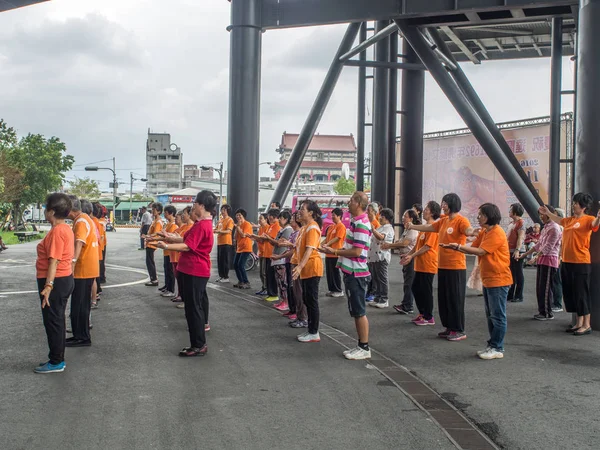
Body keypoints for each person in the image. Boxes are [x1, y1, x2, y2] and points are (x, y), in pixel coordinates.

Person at [443, 203, 512, 360]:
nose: (478, 217)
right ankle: (492, 345)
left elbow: (481, 251)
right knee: (491, 315)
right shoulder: (485, 232)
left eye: (480, 214)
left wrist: (457, 247)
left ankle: (497, 347)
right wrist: (455, 246)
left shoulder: (496, 232)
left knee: (498, 315)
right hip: (489, 279)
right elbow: (472, 245)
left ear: (488, 216)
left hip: (499, 279)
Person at [408, 193, 474, 342]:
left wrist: (473, 232)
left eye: (444, 203)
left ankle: (458, 329)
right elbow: (429, 227)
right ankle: (449, 327)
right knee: (444, 298)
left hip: (456, 266)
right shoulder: (443, 221)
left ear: (451, 204)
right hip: (442, 265)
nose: (442, 206)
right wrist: (413, 226)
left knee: (455, 298)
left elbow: (468, 230)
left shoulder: (461, 220)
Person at [157, 191, 216, 356]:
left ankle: (198, 345)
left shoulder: (203, 225)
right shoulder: (200, 223)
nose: (194, 205)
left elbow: (188, 247)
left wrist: (166, 246)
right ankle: (197, 343)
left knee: (193, 309)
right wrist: (170, 238)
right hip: (191, 270)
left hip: (195, 270)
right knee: (192, 307)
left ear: (202, 206)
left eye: (196, 203)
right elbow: (186, 241)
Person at [539, 193, 600, 335]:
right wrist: (548, 213)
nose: (573, 205)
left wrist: (599, 217)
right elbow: (558, 219)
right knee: (571, 293)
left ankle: (587, 324)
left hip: (581, 262)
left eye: (576, 203)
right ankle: (578, 323)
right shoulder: (569, 220)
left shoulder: (588, 219)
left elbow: (595, 224)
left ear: (583, 206)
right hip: (567, 261)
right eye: (573, 202)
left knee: (582, 293)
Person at [322, 191, 372, 360]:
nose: (348, 203)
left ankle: (364, 347)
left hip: (357, 273)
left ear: (358, 203)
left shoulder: (362, 224)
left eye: (351, 200)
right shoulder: (356, 221)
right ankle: (361, 345)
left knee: (359, 311)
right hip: (352, 272)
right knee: (356, 311)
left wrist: (335, 251)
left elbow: (357, 251)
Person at [34, 193, 75, 373]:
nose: (44, 210)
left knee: (53, 321)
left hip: (56, 280)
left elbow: (54, 261)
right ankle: (56, 358)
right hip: (62, 279)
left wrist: (48, 286)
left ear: (51, 211)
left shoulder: (58, 231)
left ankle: (56, 361)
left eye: (45, 208)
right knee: (56, 319)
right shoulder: (64, 228)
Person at [518, 205, 562, 320]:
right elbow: (539, 245)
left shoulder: (555, 228)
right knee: (540, 288)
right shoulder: (546, 227)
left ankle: (547, 313)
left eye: (543, 214)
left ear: (549, 213)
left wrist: (536, 257)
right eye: (540, 214)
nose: (541, 216)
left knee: (546, 288)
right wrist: (525, 255)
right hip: (543, 260)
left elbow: (548, 246)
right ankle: (542, 311)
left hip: (550, 261)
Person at [400, 200, 441, 326]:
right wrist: (409, 255)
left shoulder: (433, 228)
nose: (424, 211)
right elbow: (418, 246)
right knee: (416, 288)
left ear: (433, 212)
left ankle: (428, 316)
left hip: (428, 264)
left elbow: (427, 247)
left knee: (425, 291)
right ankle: (422, 313)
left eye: (427, 209)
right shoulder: (424, 228)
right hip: (420, 264)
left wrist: (411, 255)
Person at [66, 195, 99, 348]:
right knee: (81, 304)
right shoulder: (85, 218)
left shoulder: (80, 221)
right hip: (88, 268)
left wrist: (72, 262)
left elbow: (79, 242)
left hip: (83, 268)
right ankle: (80, 334)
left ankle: (82, 336)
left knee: (79, 305)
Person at [292, 200, 323, 343]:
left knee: (311, 300)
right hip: (306, 269)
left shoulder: (312, 227)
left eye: (302, 208)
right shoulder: (305, 228)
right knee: (307, 299)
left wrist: (299, 266)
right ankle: (310, 330)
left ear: (311, 213)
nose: (299, 210)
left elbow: (310, 249)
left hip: (312, 268)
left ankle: (314, 332)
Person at [383, 209, 421, 314]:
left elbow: (404, 243)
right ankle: (406, 304)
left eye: (405, 216)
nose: (403, 218)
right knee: (407, 283)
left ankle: (407, 306)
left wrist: (390, 245)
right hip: (405, 258)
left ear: (411, 219)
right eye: (403, 216)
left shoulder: (413, 230)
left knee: (409, 283)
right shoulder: (407, 230)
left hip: (410, 258)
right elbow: (401, 242)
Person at [278, 212, 308, 327]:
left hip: (298, 264)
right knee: (294, 290)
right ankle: (299, 316)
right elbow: (296, 247)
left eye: (294, 218)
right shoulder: (300, 232)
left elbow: (307, 249)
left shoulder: (307, 230)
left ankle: (302, 318)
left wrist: (299, 266)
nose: (292, 220)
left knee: (300, 292)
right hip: (293, 262)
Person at [264, 210, 293, 311]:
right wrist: (271, 240)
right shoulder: (282, 230)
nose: (279, 220)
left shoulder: (288, 230)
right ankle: (282, 300)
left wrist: (269, 238)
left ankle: (286, 302)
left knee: (283, 282)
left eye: (280, 218)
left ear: (286, 219)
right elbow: (276, 242)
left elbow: (280, 243)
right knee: (280, 282)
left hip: (281, 258)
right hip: (277, 257)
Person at [367, 208, 394, 308]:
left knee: (382, 278)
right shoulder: (382, 227)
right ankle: (377, 297)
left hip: (381, 256)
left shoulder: (387, 228)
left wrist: (373, 230)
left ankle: (384, 299)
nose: (379, 218)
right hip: (375, 256)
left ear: (386, 218)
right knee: (376, 278)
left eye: (381, 216)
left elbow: (381, 237)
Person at [323, 208, 346, 298]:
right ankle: (332, 289)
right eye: (332, 215)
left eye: (334, 215)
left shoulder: (341, 226)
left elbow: (338, 238)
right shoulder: (331, 227)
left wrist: (327, 244)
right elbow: (327, 238)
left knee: (335, 273)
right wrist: (320, 244)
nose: (332, 217)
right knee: (330, 273)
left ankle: (338, 290)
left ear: (339, 216)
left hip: (335, 253)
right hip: (328, 253)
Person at [507, 203, 526, 302]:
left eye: (510, 210)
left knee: (518, 273)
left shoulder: (521, 223)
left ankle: (519, 295)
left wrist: (517, 250)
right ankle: (510, 294)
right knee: (511, 273)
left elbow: (521, 237)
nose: (509, 211)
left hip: (518, 251)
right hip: (510, 250)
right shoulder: (512, 223)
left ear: (515, 212)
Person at [262, 209, 281, 301]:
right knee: (268, 274)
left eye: (269, 216)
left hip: (272, 254)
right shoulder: (271, 226)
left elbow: (272, 239)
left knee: (272, 275)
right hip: (267, 253)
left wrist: (266, 237)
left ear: (273, 217)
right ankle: (270, 293)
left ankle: (274, 294)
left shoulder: (276, 226)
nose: (268, 218)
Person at [143, 202, 163, 287]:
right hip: (150, 243)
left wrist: (147, 236)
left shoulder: (158, 222)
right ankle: (153, 278)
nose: (153, 211)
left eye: (154, 209)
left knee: (150, 262)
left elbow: (156, 234)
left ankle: (154, 279)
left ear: (159, 211)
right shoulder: (155, 221)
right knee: (149, 261)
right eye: (152, 209)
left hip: (152, 243)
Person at [160, 205, 178, 297]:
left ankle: (171, 289)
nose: (165, 214)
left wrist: (164, 234)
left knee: (170, 271)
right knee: (166, 269)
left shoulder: (174, 225)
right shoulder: (167, 224)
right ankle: (167, 286)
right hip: (166, 249)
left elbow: (171, 237)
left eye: (166, 213)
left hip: (170, 249)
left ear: (171, 214)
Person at [233, 208, 253, 289]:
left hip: (246, 247)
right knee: (235, 264)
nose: (238, 217)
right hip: (239, 248)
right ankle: (240, 281)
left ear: (243, 216)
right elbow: (235, 237)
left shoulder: (247, 224)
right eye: (237, 215)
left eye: (239, 215)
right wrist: (237, 228)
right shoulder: (239, 225)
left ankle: (246, 282)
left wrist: (237, 227)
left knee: (241, 265)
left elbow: (243, 235)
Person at [214, 204, 234, 283]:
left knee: (225, 260)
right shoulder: (220, 220)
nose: (222, 211)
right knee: (220, 260)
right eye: (222, 210)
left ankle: (226, 277)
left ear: (227, 211)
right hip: (220, 242)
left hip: (226, 242)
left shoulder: (230, 220)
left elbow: (229, 231)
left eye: (224, 210)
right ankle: (221, 276)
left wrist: (219, 231)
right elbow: (216, 228)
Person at [252, 214, 269, 295]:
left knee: (264, 272)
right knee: (261, 272)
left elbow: (262, 240)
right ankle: (263, 287)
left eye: (261, 218)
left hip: (265, 252)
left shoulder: (267, 227)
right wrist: (255, 237)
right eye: (259, 218)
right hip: (261, 252)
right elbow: (260, 239)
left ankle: (266, 288)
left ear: (266, 219)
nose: (259, 220)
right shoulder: (261, 228)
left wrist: (255, 237)